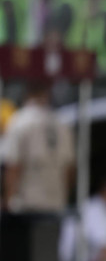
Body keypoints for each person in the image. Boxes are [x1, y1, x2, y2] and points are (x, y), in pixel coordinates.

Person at [0, 81, 74, 214]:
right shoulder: (62, 124)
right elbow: (69, 170)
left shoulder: (20, 121)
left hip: (27, 206)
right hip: (55, 205)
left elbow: (13, 166)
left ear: (26, 94)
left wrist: (7, 201)